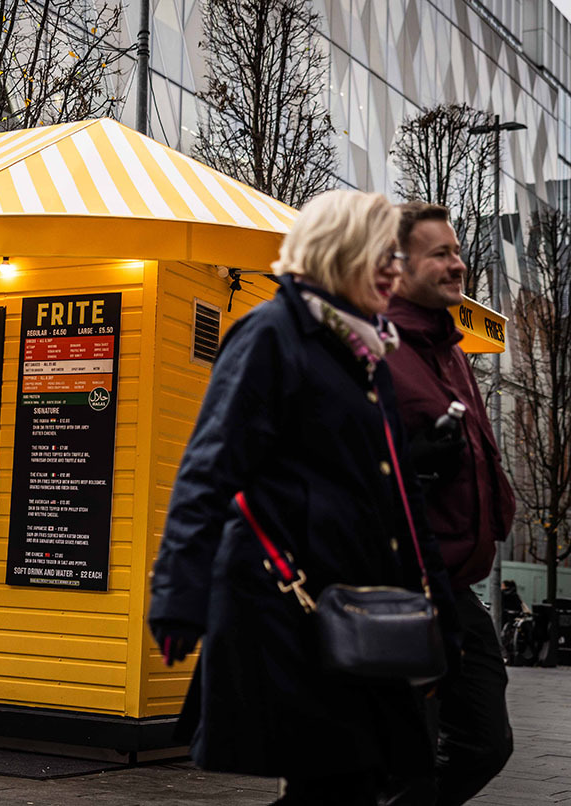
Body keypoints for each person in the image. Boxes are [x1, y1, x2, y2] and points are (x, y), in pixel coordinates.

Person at [147, 190, 458, 805]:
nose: (394, 271)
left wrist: (440, 609)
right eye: (383, 256)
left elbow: (401, 497)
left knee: (358, 783)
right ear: (342, 252)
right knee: (340, 785)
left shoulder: (368, 353)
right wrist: (178, 597)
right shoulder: (272, 333)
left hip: (353, 607)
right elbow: (209, 470)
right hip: (288, 611)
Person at [383, 202, 516, 805]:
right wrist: (406, 463)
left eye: (457, 251)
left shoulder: (454, 354)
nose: (458, 264)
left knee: (487, 742)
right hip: (392, 585)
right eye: (440, 254)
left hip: (454, 584)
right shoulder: (372, 348)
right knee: (402, 758)